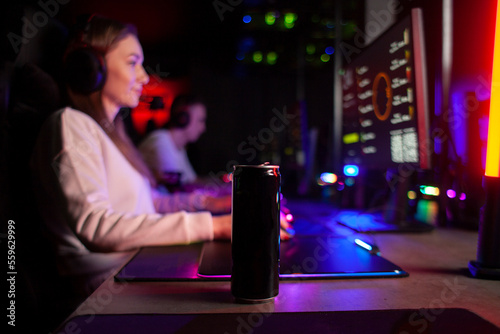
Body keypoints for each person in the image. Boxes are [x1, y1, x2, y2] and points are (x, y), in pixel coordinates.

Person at [30, 14, 232, 299]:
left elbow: (151, 203)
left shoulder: (112, 135)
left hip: (136, 266)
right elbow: (96, 226)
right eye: (132, 62)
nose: (144, 77)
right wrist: (213, 226)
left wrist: (213, 203)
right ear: (92, 68)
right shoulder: (70, 124)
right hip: (103, 287)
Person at [138, 94, 209, 188]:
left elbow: (193, 181)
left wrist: (221, 184)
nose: (203, 128)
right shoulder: (161, 141)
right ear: (183, 118)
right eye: (200, 120)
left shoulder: (179, 148)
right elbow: (178, 187)